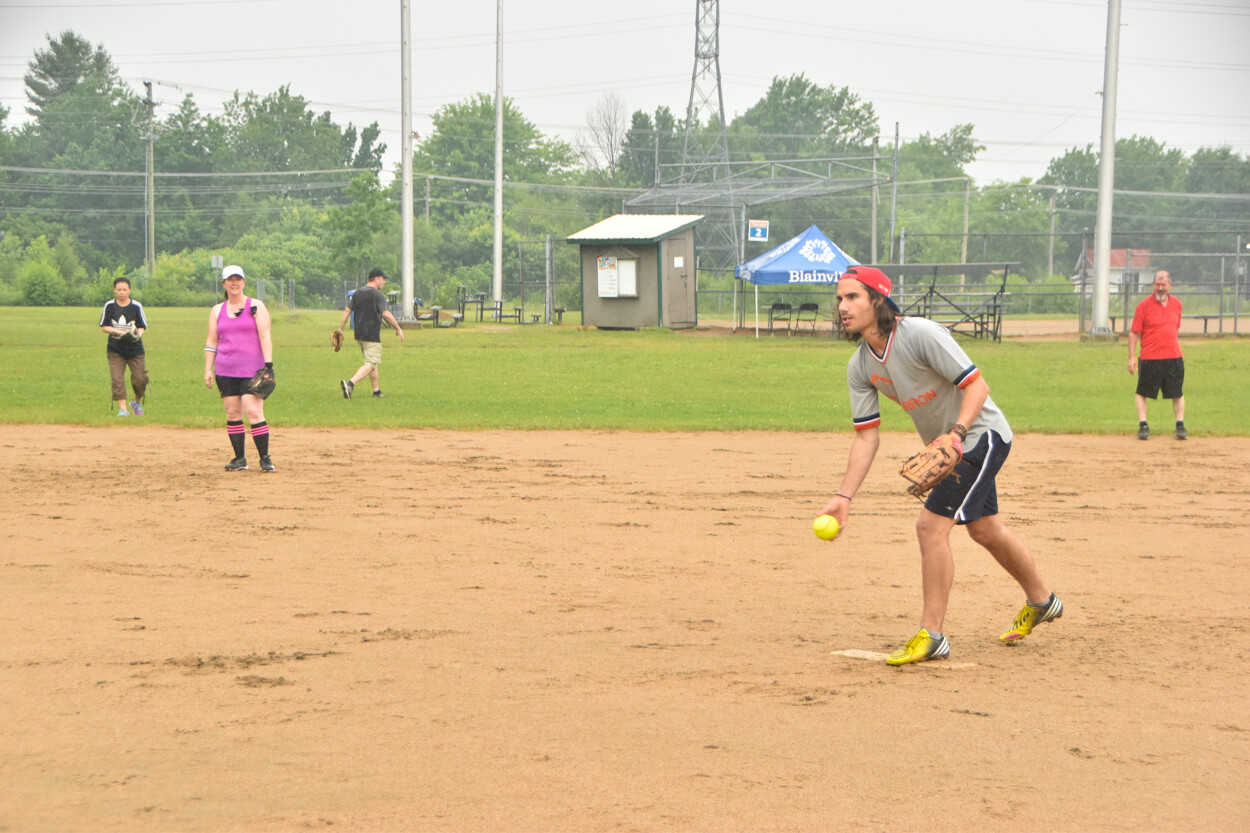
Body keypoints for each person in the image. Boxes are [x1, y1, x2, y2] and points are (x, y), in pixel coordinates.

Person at [820, 265, 1063, 666]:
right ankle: (1043, 600)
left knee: (930, 526)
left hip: (981, 435)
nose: (842, 307)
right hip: (952, 447)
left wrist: (956, 434)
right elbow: (867, 435)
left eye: (852, 297)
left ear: (878, 300)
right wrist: (843, 497)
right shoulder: (861, 366)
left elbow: (977, 386)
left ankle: (932, 635)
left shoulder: (920, 335)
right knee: (985, 530)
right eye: (840, 299)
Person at [203, 264, 276, 472]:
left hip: (252, 369)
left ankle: (264, 458)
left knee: (253, 411)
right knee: (233, 413)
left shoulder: (256, 306)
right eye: (230, 280)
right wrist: (208, 368)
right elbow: (212, 341)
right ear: (224, 283)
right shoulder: (217, 310)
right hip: (225, 370)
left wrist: (268, 365)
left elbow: (265, 336)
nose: (234, 283)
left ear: (243, 282)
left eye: (238, 279)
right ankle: (239, 459)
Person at [1128, 270, 1185, 440]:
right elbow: (1134, 333)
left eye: (1164, 285)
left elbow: (1175, 328)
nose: (1160, 288)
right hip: (1149, 357)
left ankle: (1180, 425)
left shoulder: (1177, 304)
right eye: (1157, 285)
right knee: (1142, 391)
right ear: (1153, 285)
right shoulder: (1143, 306)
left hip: (1173, 355)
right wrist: (1131, 357)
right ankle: (1143, 425)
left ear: (1169, 285)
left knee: (1177, 392)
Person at [334, 268, 404, 399]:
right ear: (376, 279)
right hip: (371, 334)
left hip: (359, 334)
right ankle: (350, 383)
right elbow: (386, 313)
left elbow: (347, 311)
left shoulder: (357, 293)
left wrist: (341, 329)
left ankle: (376, 391)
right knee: (371, 363)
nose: (384, 282)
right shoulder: (378, 295)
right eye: (383, 279)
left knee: (372, 362)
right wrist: (398, 328)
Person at [98, 276, 149, 416]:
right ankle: (123, 409)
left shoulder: (136, 306)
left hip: (135, 349)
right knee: (117, 378)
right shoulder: (109, 306)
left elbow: (142, 326)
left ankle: (136, 402)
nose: (122, 292)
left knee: (140, 379)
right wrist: (119, 332)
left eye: (124, 289)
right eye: (119, 289)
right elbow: (104, 326)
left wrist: (136, 335)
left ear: (130, 290)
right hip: (115, 349)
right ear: (114, 290)